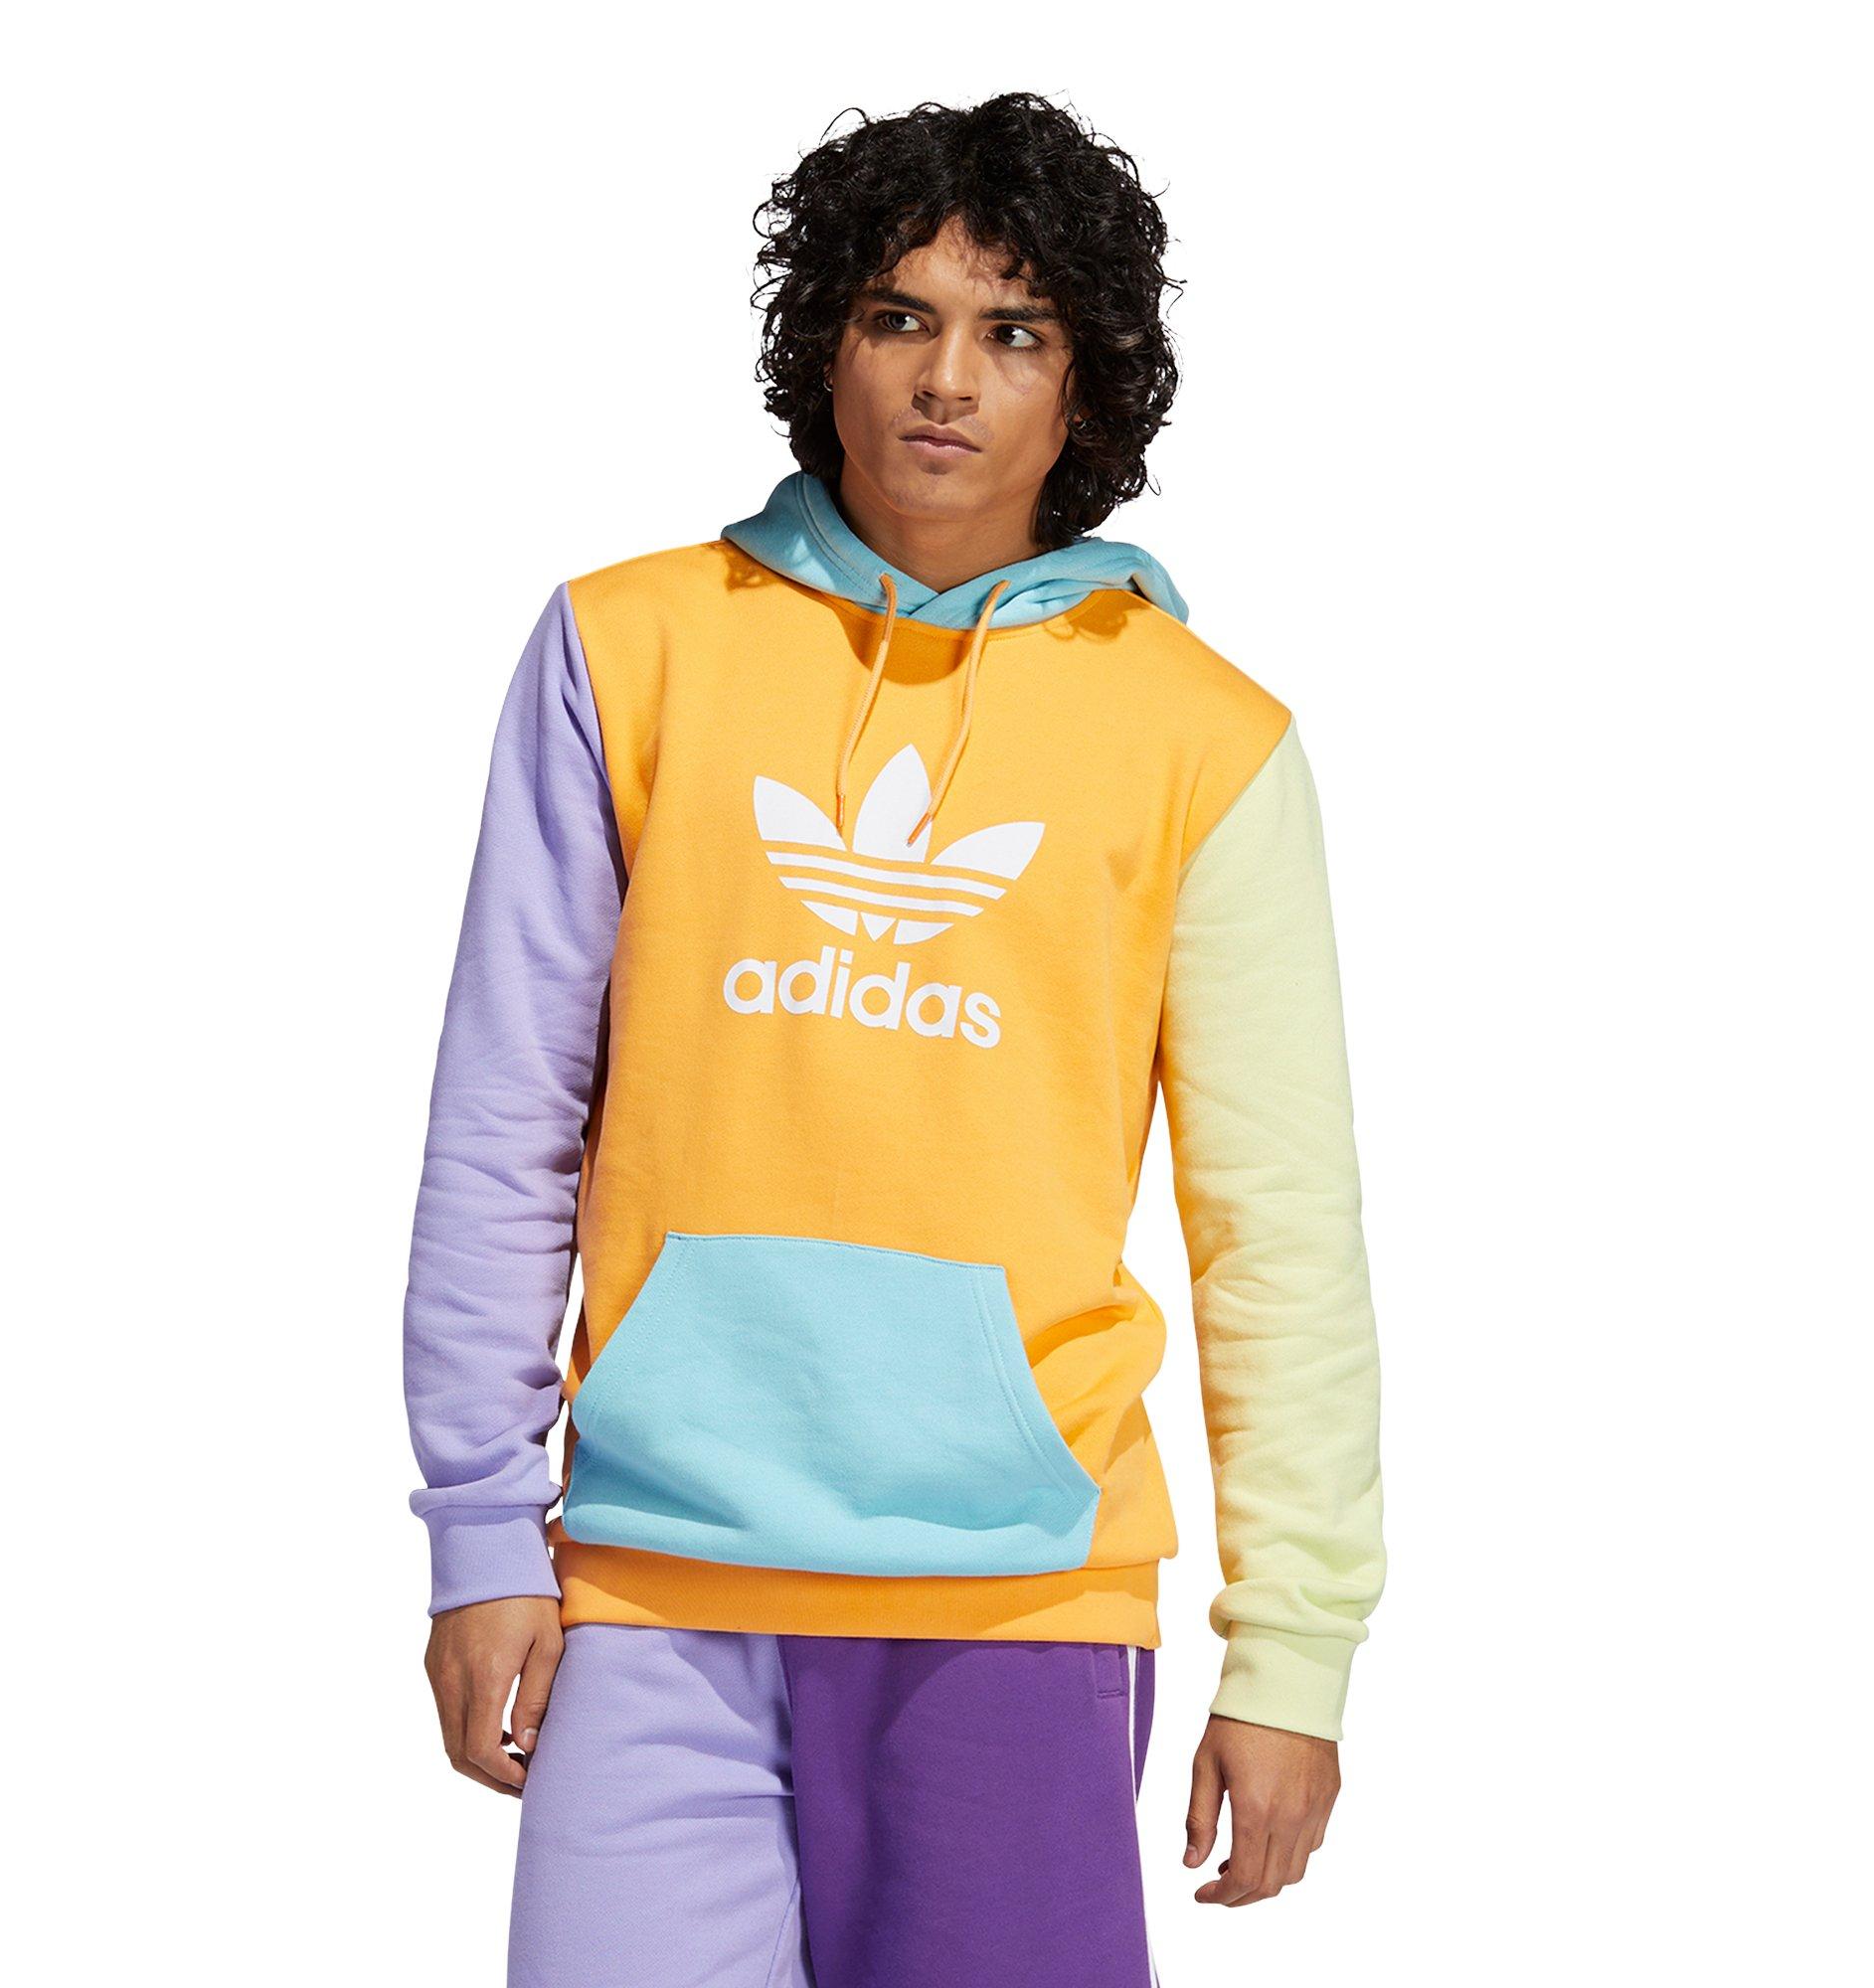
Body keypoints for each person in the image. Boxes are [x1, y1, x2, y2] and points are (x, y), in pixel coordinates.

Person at [403, 90, 1386, 1988]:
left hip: (1019, 1591)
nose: (948, 378)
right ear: (824, 347)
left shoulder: (1206, 738)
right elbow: (505, 1119)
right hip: (649, 1579)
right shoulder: (628, 648)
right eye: (897, 316)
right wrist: (480, 1536)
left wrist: (1296, 1653)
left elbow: (1277, 1227)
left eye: (1015, 332)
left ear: (1086, 389)